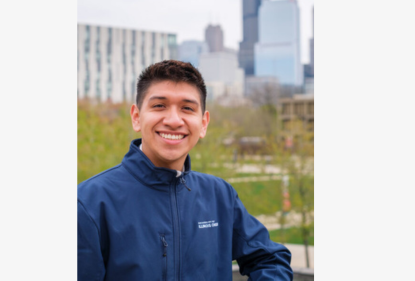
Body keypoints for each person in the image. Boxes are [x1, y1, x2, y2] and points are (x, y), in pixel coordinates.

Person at [78, 60, 293, 280]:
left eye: (187, 108)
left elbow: (270, 259)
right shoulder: (89, 203)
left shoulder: (220, 196)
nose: (173, 120)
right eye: (159, 105)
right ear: (136, 117)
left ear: (203, 123)